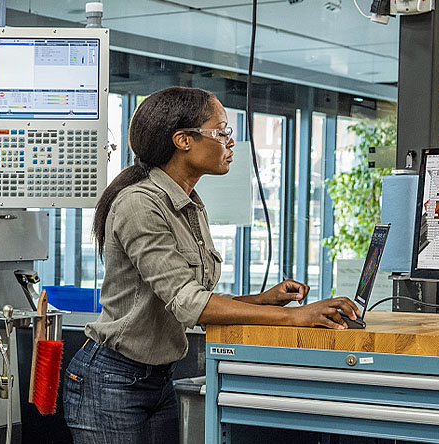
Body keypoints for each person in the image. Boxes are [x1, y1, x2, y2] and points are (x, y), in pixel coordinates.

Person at [63, 86, 359, 444]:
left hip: (156, 380)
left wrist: (263, 300)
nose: (230, 142)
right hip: (112, 380)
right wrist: (296, 317)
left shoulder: (189, 203)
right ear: (183, 140)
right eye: (222, 132)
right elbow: (189, 303)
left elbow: (193, 298)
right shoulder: (139, 204)